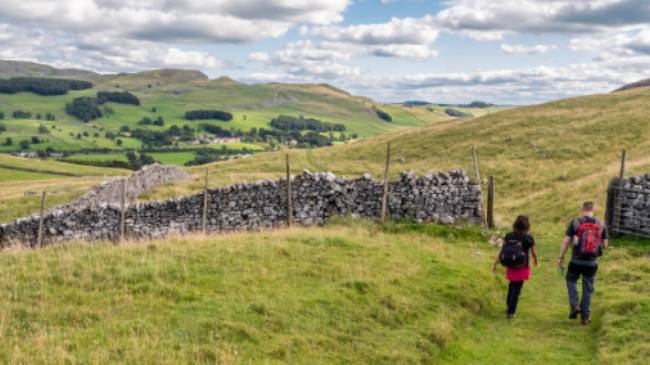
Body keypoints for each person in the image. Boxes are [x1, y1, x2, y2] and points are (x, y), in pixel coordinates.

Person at [558, 201, 608, 325]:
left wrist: (561, 257)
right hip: (591, 262)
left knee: (570, 280)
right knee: (588, 289)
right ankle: (585, 318)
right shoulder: (601, 224)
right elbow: (605, 244)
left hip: (576, 260)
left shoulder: (575, 222)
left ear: (582, 209)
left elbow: (566, 241)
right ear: (593, 209)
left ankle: (574, 305)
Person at [493, 215, 539, 319]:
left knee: (512, 283)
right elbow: (533, 251)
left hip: (510, 265)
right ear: (527, 226)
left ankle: (509, 302)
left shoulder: (509, 235)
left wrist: (495, 263)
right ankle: (511, 311)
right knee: (517, 288)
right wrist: (536, 260)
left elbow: (502, 250)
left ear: (515, 224)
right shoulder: (528, 237)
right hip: (522, 266)